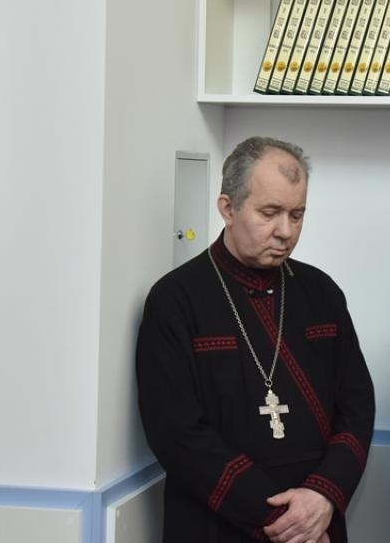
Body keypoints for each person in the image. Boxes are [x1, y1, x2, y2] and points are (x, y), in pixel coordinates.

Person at [137, 136, 375, 543]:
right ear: (228, 208)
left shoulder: (321, 293)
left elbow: (357, 406)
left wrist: (323, 495)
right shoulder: (175, 299)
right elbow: (176, 434)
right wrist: (284, 521)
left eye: (297, 215)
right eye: (270, 213)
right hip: (219, 524)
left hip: (317, 519)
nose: (286, 231)